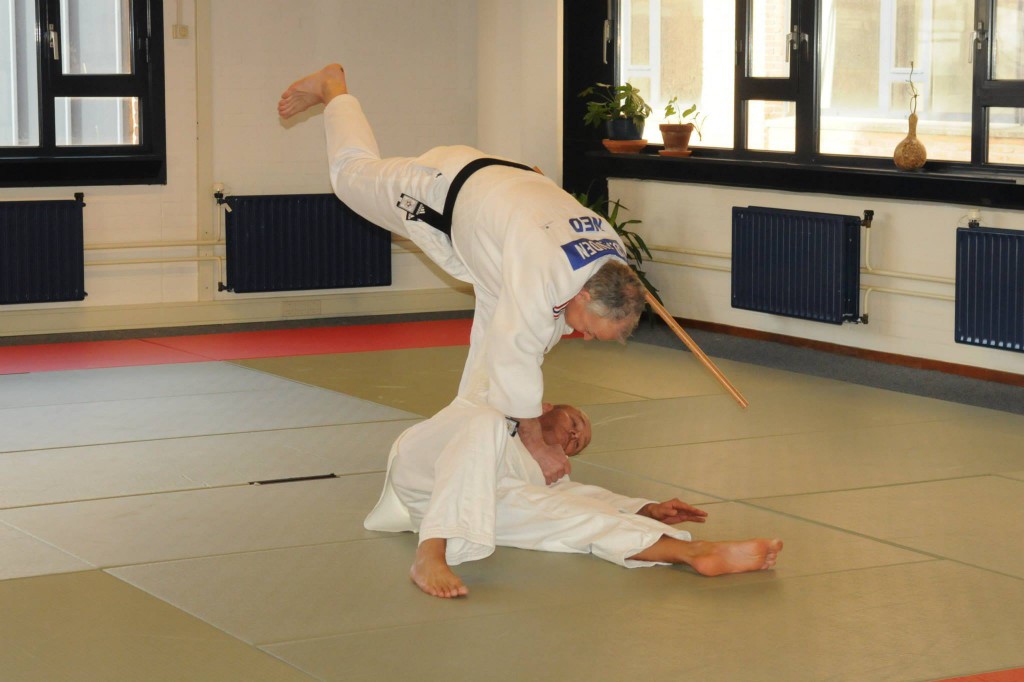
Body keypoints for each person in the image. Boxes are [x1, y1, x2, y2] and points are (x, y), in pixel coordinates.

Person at [278, 64, 647, 484]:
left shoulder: (613, 258)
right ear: (582, 296)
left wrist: (537, 411)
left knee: (488, 380)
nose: (585, 337)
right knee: (349, 176)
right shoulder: (543, 273)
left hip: (504, 201)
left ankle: (470, 460)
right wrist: (538, 443)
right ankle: (334, 89)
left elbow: (529, 346)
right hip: (437, 189)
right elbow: (518, 356)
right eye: (592, 331)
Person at [364, 397, 783, 599]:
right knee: (486, 421)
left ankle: (694, 553)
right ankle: (430, 552)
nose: (574, 436)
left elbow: (580, 497)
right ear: (546, 406)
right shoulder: (511, 405)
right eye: (575, 422)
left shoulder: (541, 469)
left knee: (565, 511)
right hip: (424, 470)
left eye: (576, 444)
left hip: (479, 501)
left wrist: (646, 508)